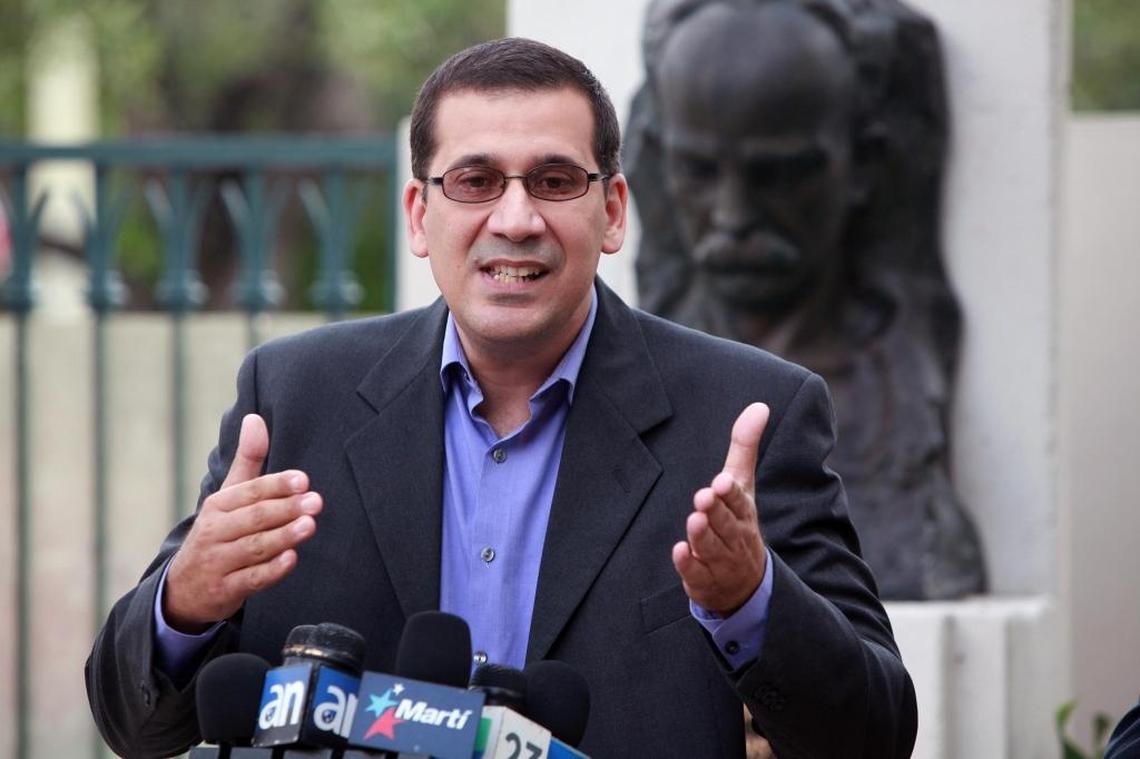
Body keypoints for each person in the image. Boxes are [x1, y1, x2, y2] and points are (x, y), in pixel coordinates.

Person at [86, 38, 916, 758]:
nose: (516, 219)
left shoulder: (747, 415)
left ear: (613, 210)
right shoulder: (296, 398)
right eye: (476, 180)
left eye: (555, 180)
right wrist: (183, 604)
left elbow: (875, 734)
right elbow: (134, 724)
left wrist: (751, 599)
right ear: (419, 213)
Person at [626, 0, 986, 600]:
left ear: (863, 165)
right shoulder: (624, 390)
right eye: (697, 171)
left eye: (779, 175)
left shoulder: (894, 396)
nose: (733, 217)